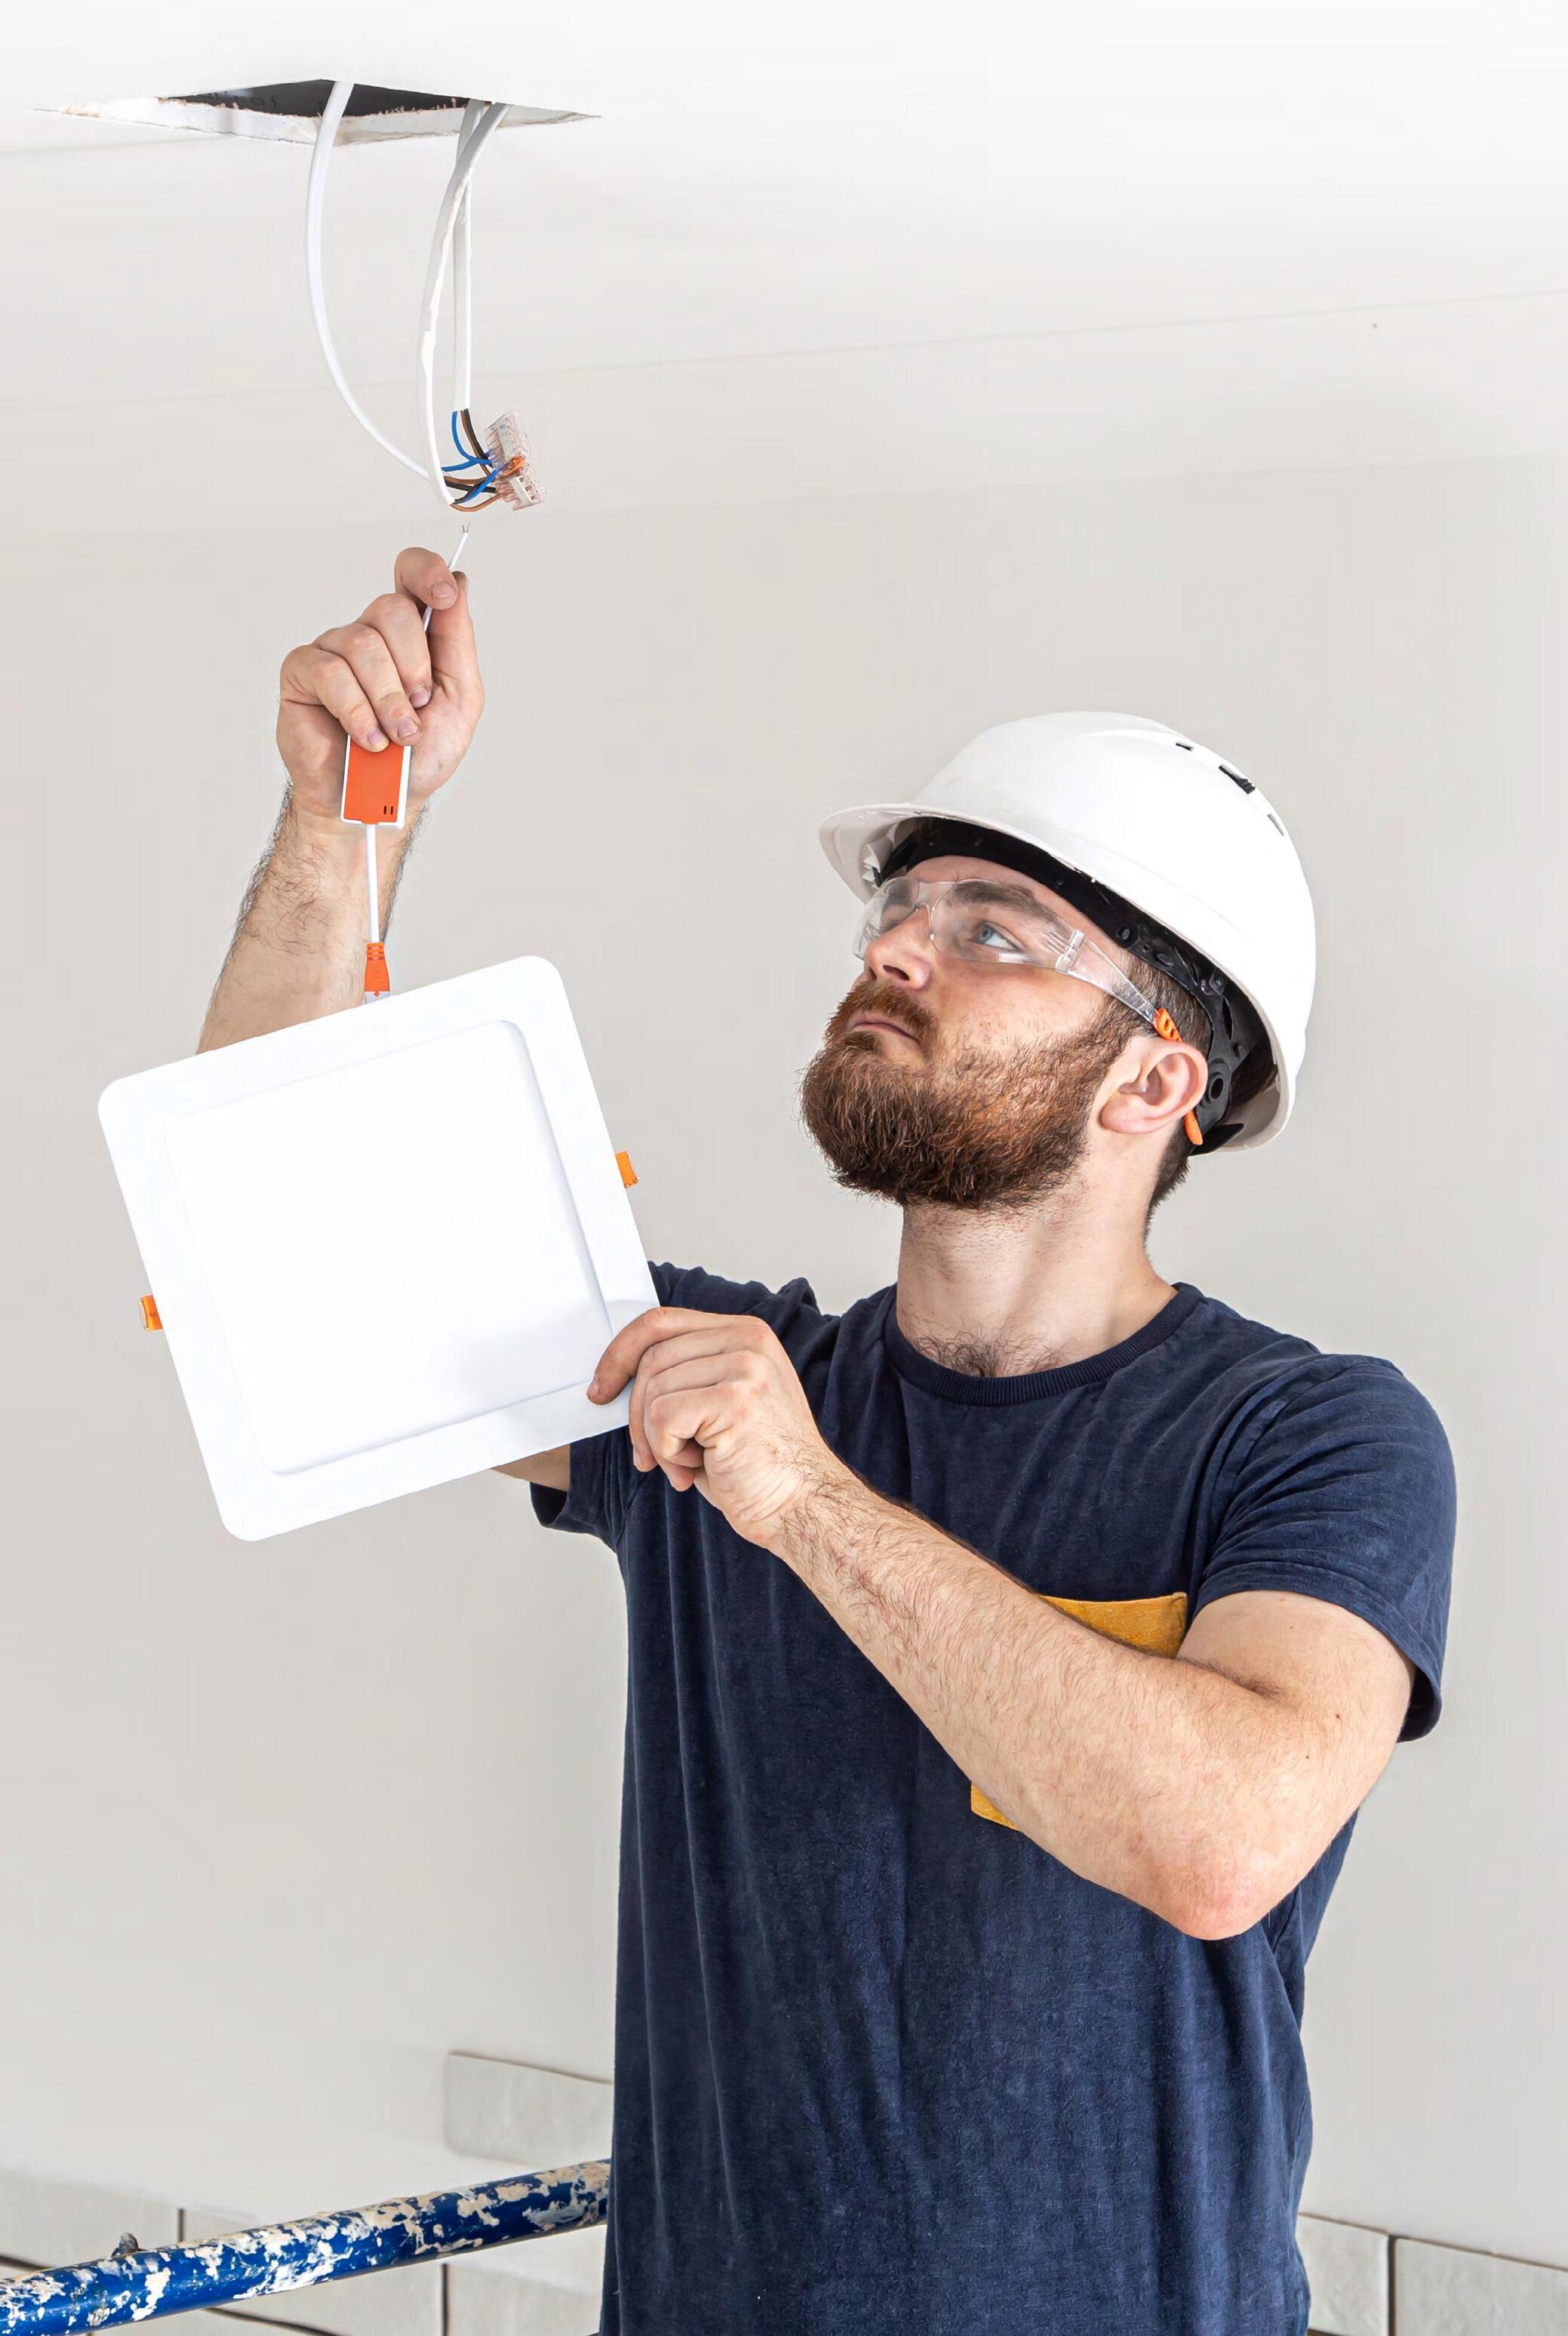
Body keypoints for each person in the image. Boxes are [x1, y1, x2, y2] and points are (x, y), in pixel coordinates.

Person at [202, 547, 1456, 2336]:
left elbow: (1216, 1841)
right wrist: (341, 822)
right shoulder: (721, 1379)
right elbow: (276, 1255)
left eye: (991, 928)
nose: (895, 948)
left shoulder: (1306, 1435)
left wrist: (801, 1501)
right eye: (904, 908)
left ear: (1155, 1080)